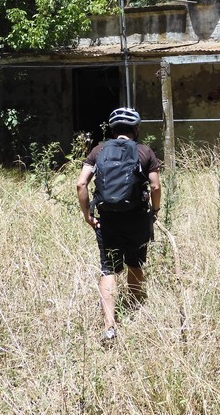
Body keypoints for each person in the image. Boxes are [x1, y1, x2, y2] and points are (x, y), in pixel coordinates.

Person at [76, 107, 161, 345]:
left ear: (113, 130)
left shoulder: (98, 150)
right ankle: (134, 308)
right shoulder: (145, 152)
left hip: (107, 220)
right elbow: (155, 187)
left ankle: (109, 327)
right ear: (136, 129)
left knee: (109, 269)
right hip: (137, 219)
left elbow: (81, 184)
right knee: (135, 263)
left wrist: (87, 215)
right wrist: (155, 211)